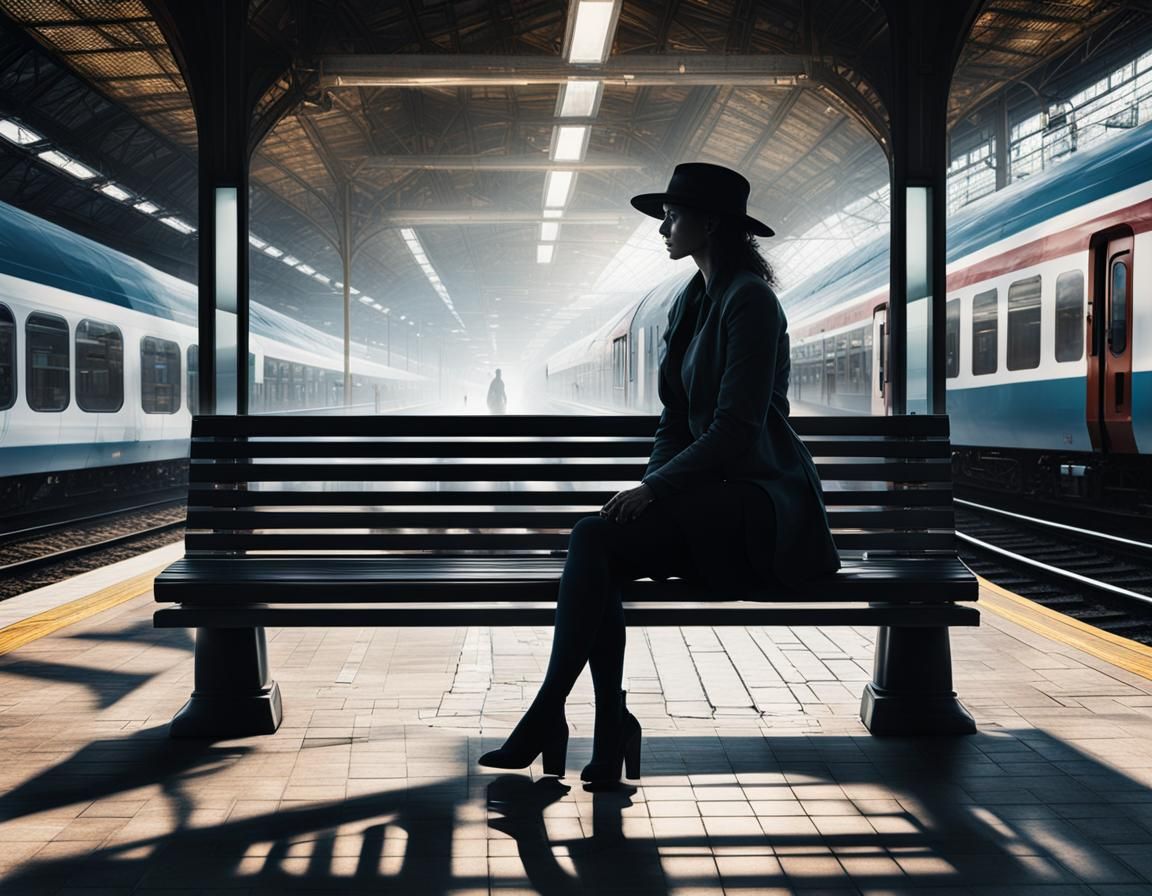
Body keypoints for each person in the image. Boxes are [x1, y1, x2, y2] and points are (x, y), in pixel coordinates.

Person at [478, 162, 840, 787]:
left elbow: (737, 428)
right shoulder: (690, 302)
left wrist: (655, 489)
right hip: (710, 504)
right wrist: (652, 494)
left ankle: (552, 715)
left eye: (672, 215)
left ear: (711, 223)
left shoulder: (751, 301)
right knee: (602, 545)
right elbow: (674, 420)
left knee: (594, 541)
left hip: (761, 507)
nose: (662, 227)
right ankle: (604, 724)